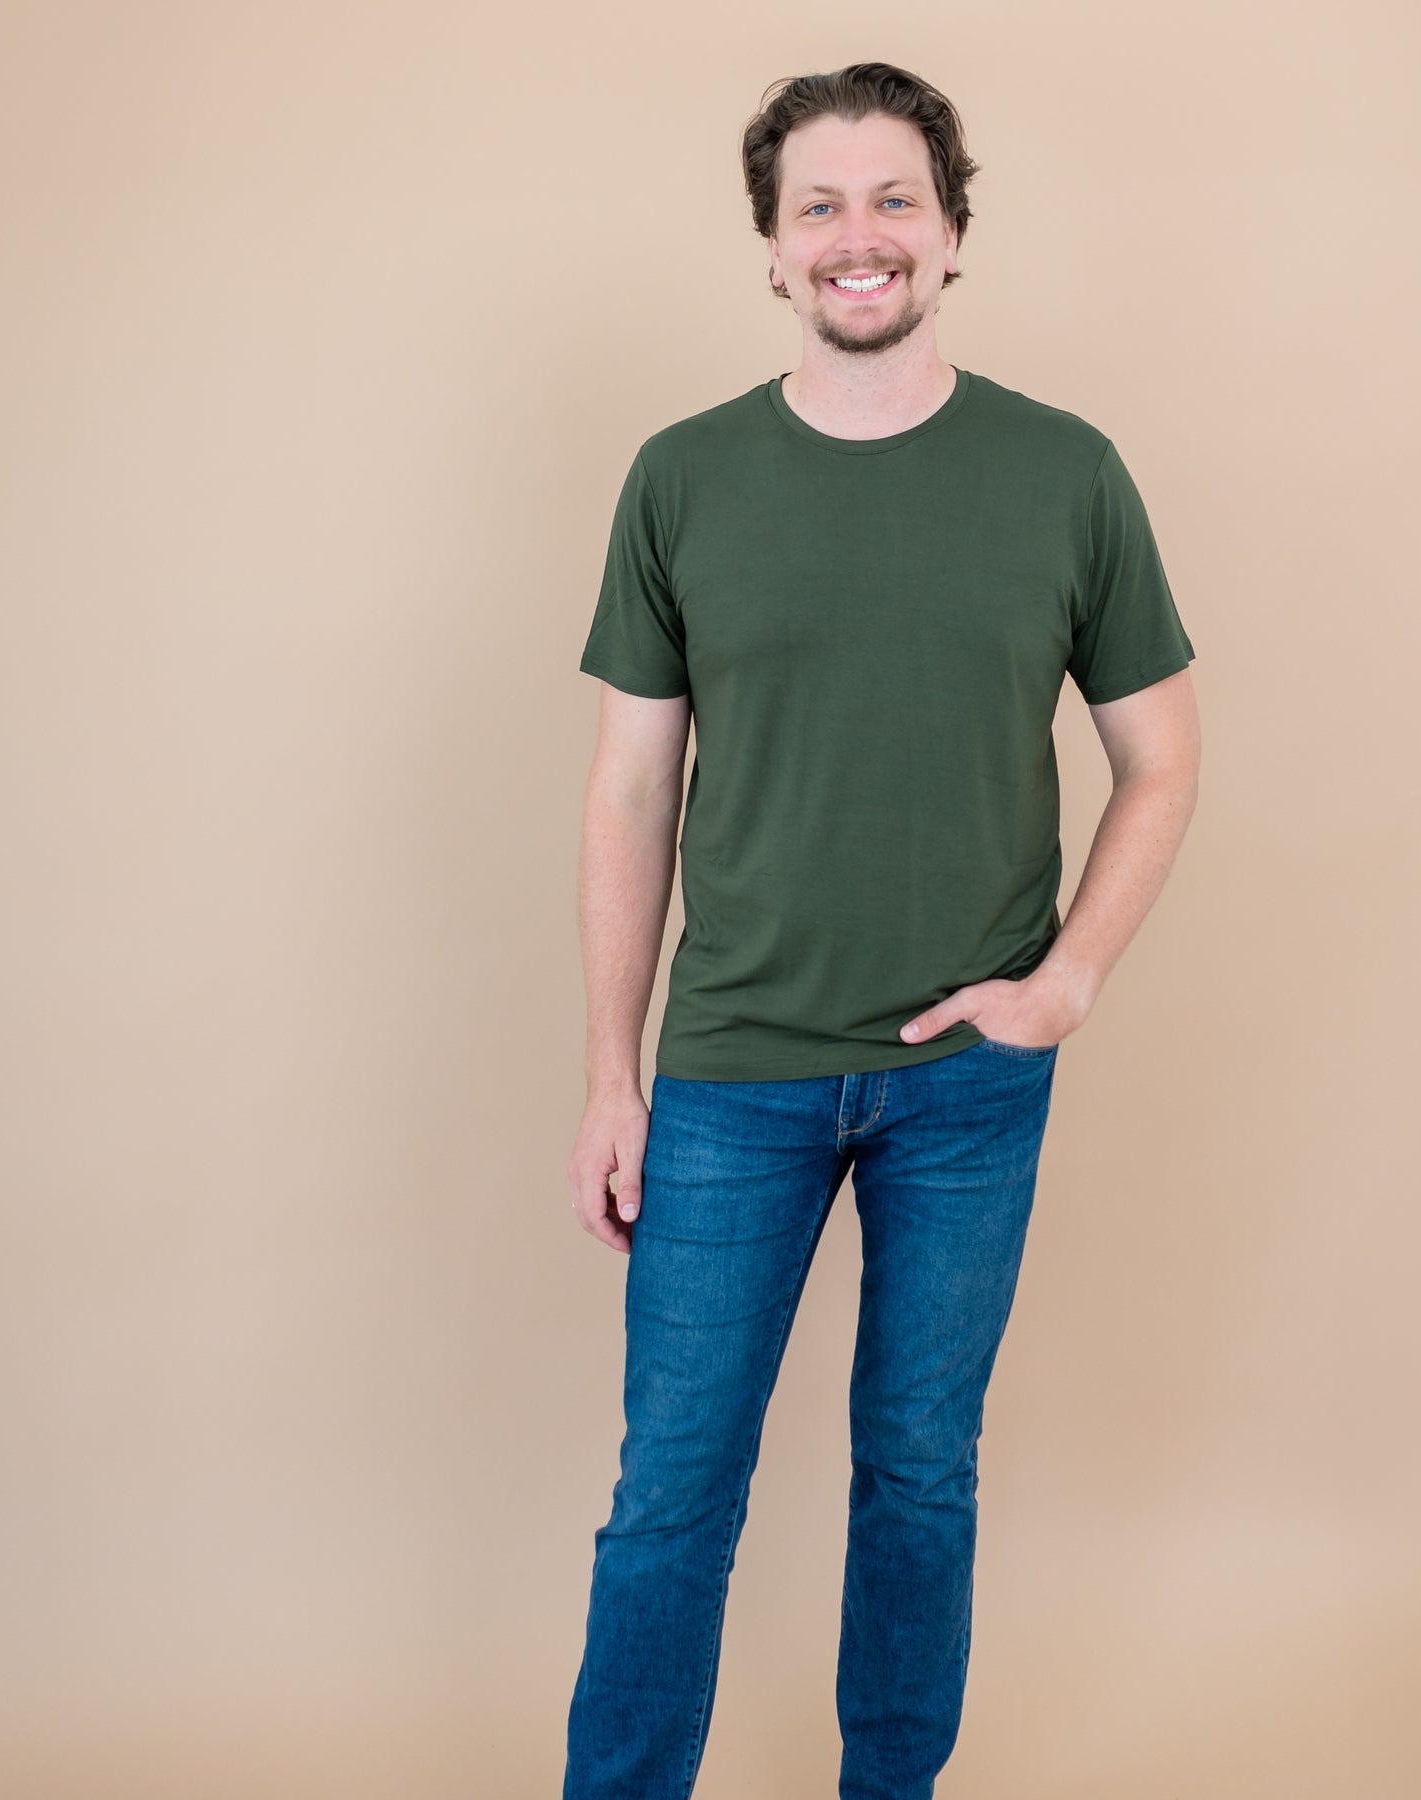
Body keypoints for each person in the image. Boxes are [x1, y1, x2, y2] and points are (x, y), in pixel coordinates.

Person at [562, 60, 1201, 1800]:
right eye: (821, 205)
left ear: (951, 232)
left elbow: (1161, 758)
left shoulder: (1064, 471)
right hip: (731, 1076)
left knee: (920, 1475)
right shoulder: (683, 478)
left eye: (896, 198)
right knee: (674, 1491)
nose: (861, 235)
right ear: (773, 248)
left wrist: (1066, 983)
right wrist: (613, 1076)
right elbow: (631, 791)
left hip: (965, 1087)